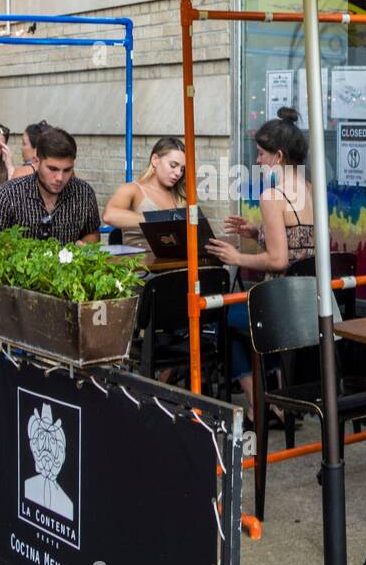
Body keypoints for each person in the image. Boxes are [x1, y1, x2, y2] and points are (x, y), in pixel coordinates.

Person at [205, 108, 313, 424]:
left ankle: (261, 405)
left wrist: (236, 257)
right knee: (243, 324)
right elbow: (300, 242)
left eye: (261, 154)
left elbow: (279, 260)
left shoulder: (272, 195)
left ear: (278, 156)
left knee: (226, 318)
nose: (258, 161)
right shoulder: (308, 187)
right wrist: (256, 232)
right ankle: (274, 401)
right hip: (308, 299)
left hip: (280, 303)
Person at [0, 126, 100, 244]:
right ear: (36, 162)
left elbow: (92, 232)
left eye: (67, 170)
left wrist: (85, 245)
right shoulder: (7, 195)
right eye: (52, 169)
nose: (60, 178)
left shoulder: (84, 192)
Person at [103, 137, 185, 249]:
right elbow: (109, 215)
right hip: (142, 263)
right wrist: (157, 220)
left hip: (176, 262)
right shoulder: (133, 189)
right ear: (155, 159)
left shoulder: (179, 197)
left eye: (182, 169)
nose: (178, 173)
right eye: (173, 165)